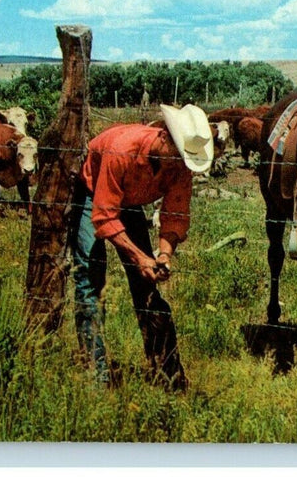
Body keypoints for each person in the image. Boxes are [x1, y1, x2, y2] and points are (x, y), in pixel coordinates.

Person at [69, 103, 214, 390]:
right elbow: (105, 215)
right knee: (89, 280)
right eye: (176, 156)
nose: (178, 165)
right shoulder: (122, 150)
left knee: (146, 285)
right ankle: (95, 377)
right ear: (163, 138)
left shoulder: (180, 165)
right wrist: (139, 257)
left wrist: (163, 256)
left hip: (130, 201)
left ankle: (167, 374)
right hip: (92, 193)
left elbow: (175, 214)